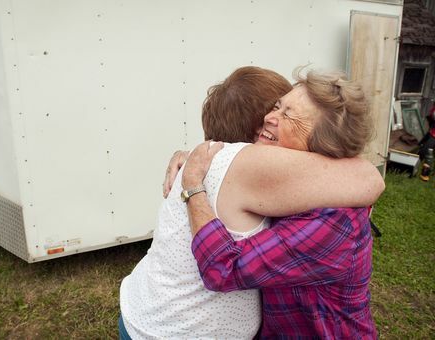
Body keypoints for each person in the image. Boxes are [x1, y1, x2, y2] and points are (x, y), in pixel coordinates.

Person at [119, 66, 384, 339]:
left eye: (288, 115)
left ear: (322, 148)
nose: (269, 117)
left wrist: (194, 187)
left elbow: (223, 269)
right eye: (277, 106)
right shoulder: (288, 184)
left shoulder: (332, 220)